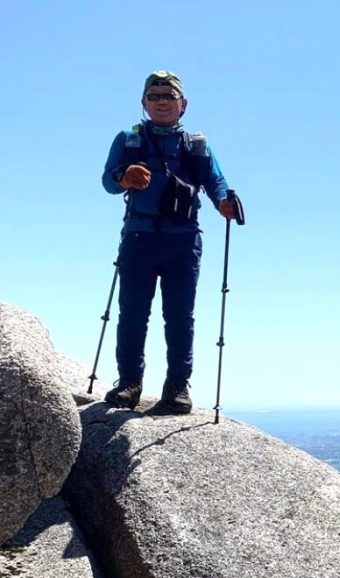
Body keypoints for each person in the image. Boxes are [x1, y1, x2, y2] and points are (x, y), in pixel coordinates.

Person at [101, 70, 236, 414]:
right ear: (144, 103)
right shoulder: (128, 140)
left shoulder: (196, 146)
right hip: (139, 238)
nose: (161, 102)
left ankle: (177, 387)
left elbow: (215, 181)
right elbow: (108, 181)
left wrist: (224, 202)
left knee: (179, 316)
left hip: (183, 241)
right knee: (132, 314)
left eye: (168, 96)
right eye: (154, 96)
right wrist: (124, 178)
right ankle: (129, 383)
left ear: (183, 104)